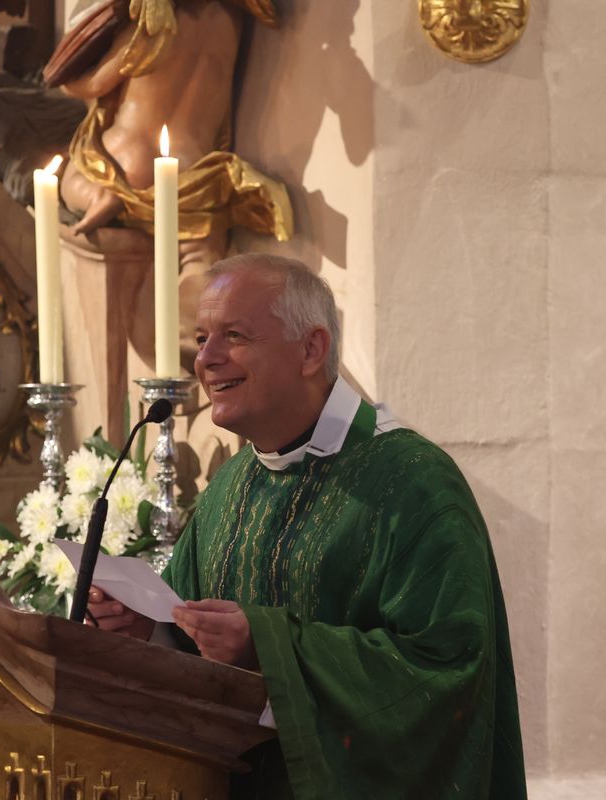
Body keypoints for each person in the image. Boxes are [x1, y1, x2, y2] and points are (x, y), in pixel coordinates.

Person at [88, 254, 527, 799]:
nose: (205, 359)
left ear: (311, 350)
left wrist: (270, 647)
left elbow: (449, 673)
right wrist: (147, 627)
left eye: (233, 336)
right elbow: (188, 635)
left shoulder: (413, 483)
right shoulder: (230, 487)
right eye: (202, 339)